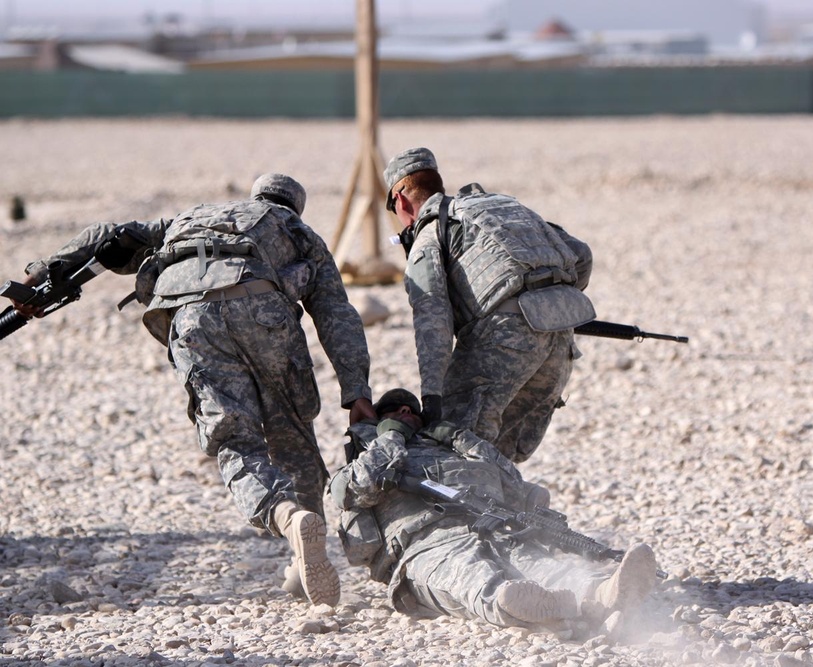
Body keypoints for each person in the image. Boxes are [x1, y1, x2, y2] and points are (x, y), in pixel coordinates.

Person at [9, 173, 377, 606]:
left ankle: (286, 516)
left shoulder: (191, 216)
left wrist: (41, 274)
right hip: (262, 309)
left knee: (234, 441)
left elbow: (106, 236)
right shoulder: (294, 227)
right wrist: (357, 392)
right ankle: (301, 556)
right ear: (293, 205)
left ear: (253, 196)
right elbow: (336, 313)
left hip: (189, 317)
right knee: (292, 434)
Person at [329, 388, 658, 635]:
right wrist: (389, 439)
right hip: (428, 544)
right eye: (394, 411)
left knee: (543, 566)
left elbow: (514, 485)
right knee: (476, 580)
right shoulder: (370, 457)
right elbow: (354, 488)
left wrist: (464, 440)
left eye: (411, 409)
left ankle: (599, 594)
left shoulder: (452, 447)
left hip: (495, 527)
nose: (405, 411)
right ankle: (535, 607)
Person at [383, 147, 595, 463]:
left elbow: (433, 322)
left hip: (503, 340)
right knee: (499, 457)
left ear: (400, 201)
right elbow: (581, 253)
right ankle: (513, 512)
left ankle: (468, 514)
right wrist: (550, 303)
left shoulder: (429, 233)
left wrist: (433, 399)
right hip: (560, 341)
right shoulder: (497, 207)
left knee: (453, 447)